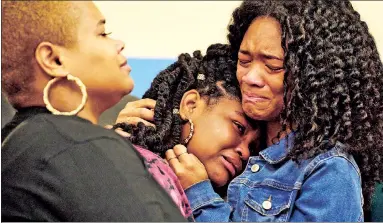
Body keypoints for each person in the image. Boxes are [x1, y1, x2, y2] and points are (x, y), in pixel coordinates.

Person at [118, 0, 383, 221]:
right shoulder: (240, 159)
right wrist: (115, 141)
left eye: (273, 66)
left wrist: (200, 197)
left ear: (314, 76)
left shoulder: (328, 170)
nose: (251, 77)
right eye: (244, 60)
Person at [1, 1, 185, 221]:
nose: (119, 44)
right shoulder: (77, 144)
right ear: (54, 59)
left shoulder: (21, 144)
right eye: (103, 33)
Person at [113, 44, 260, 219]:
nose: (245, 153)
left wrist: (199, 194)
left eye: (253, 147)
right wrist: (112, 144)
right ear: (190, 105)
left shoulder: (240, 207)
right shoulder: (120, 157)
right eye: (239, 127)